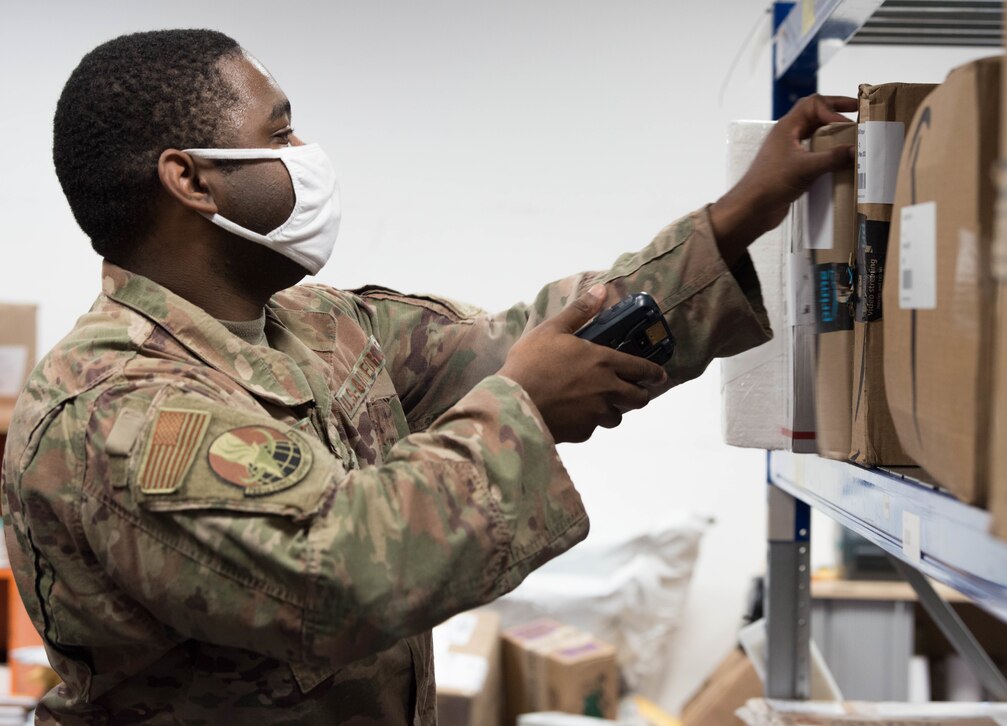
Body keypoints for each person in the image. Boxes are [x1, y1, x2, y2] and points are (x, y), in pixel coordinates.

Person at [1, 28, 855, 725]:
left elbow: (523, 341)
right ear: (189, 178)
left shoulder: (319, 327)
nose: (305, 153)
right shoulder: (114, 409)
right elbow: (334, 575)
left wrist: (738, 216)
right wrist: (523, 407)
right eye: (280, 133)